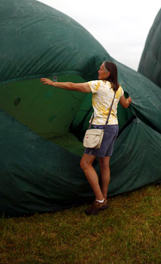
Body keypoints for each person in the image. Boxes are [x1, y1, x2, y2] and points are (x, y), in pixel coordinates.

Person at [40, 61, 132, 215]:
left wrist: (53, 84)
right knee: (104, 164)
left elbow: (71, 86)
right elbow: (125, 104)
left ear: (107, 74)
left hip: (100, 128)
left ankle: (99, 200)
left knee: (85, 163)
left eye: (101, 69)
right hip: (113, 127)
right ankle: (104, 198)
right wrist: (130, 100)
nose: (98, 70)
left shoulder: (98, 85)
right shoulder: (118, 88)